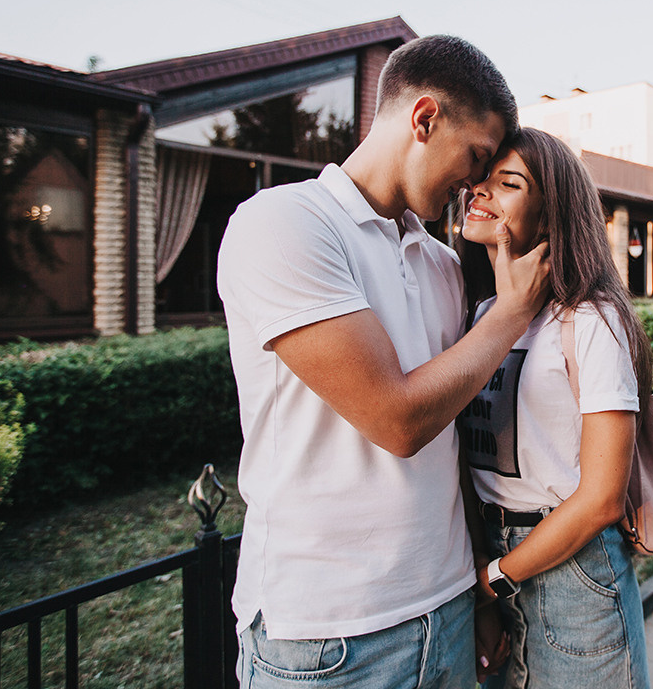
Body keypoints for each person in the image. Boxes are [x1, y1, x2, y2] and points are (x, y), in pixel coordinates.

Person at [216, 35, 550, 689]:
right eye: (476, 157)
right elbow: (397, 420)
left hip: (447, 610)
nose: (477, 184)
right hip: (329, 638)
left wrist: (479, 594)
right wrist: (513, 311)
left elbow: (451, 440)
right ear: (424, 119)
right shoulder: (284, 223)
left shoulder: (443, 264)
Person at [455, 128, 653, 688]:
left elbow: (601, 499)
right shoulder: (483, 316)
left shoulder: (590, 318)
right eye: (481, 180)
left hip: (572, 572)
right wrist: (488, 576)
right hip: (492, 559)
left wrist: (494, 579)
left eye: (508, 183)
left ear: (549, 217)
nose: (479, 191)